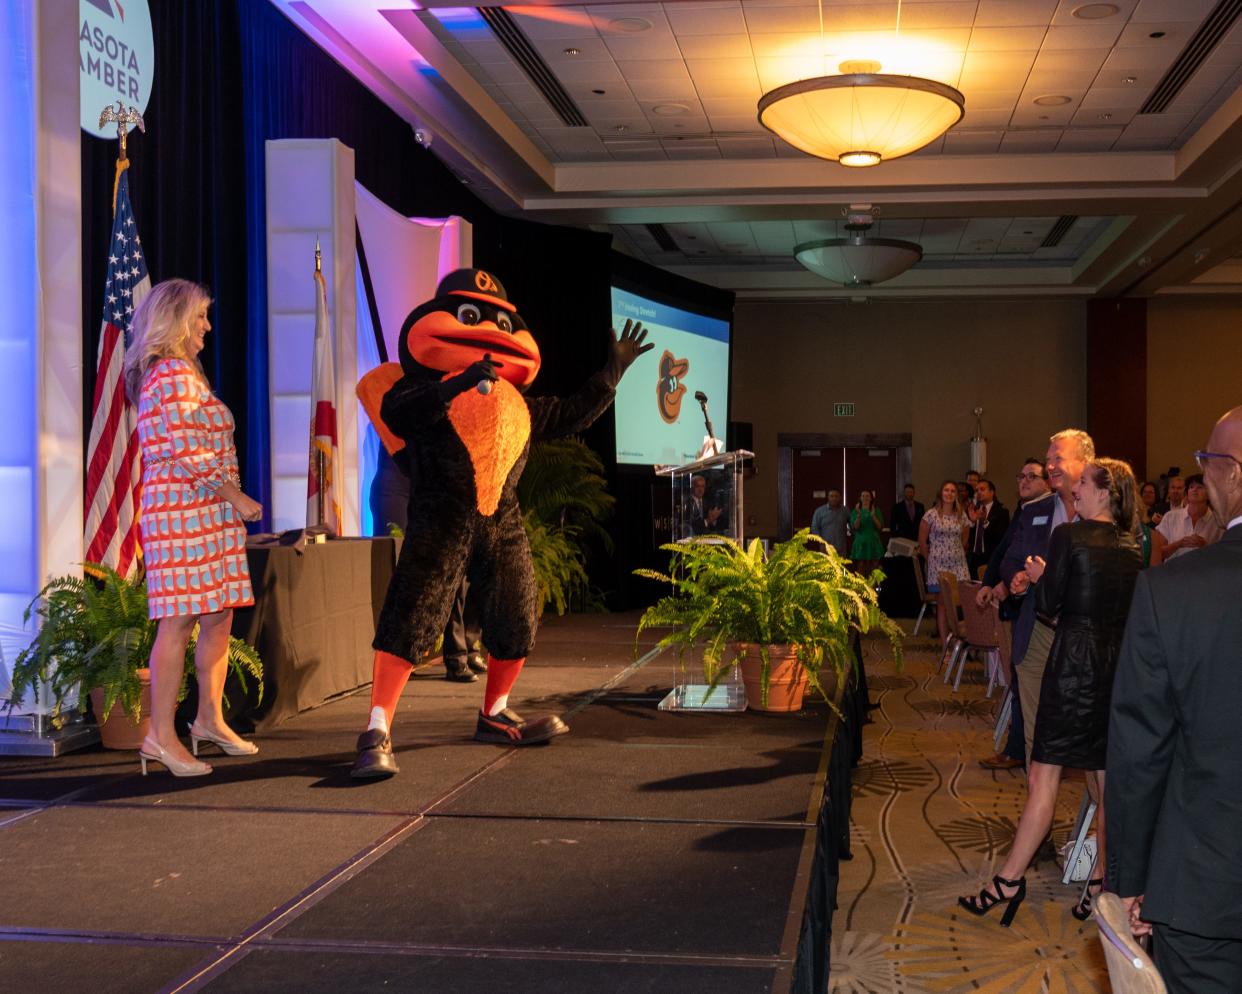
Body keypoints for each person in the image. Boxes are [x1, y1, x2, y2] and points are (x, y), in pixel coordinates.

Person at [351, 269, 653, 778]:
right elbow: (400, 414)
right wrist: (459, 383)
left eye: (501, 322)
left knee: (517, 612)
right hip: (440, 520)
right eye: (471, 317)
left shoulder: (521, 404)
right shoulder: (417, 391)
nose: (489, 330)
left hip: (502, 522)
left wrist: (611, 374)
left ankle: (494, 712)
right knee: (413, 613)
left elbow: (573, 414)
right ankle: (377, 728)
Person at [959, 457, 1142, 926]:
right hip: (1114, 671)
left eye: (1083, 482)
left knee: (1044, 775)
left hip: (1071, 667)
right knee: (1106, 787)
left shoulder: (1070, 537)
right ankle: (1101, 881)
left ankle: (1010, 879)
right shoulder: (1132, 545)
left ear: (1104, 493)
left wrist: (1039, 577)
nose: (1075, 488)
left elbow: (1050, 606)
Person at [1106, 406, 1242, 994]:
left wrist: (1133, 879)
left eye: (1207, 462)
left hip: (1206, 889)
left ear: (1234, 472)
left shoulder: (1174, 592)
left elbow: (1140, 752)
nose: (1203, 475)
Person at [123, 279, 262, 777]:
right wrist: (235, 496)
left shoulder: (181, 374)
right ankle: (160, 737)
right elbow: (187, 449)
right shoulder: (172, 374)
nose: (207, 325)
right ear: (177, 319)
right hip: (185, 515)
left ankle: (207, 719)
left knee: (218, 615)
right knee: (179, 622)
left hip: (204, 515)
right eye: (200, 316)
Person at [996, 429, 1094, 767]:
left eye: (1058, 459)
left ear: (1085, 463)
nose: (1050, 466)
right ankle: (1038, 806)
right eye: (1048, 458)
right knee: (1037, 739)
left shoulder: (1104, 515)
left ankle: (1099, 812)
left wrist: (1049, 576)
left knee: (1088, 738)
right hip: (1037, 627)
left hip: (1084, 633)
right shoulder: (1034, 512)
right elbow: (1010, 559)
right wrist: (1016, 578)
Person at [976, 457, 1051, 771]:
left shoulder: (1051, 511)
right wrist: (992, 582)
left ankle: (1026, 753)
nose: (1024, 481)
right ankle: (1018, 748)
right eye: (1021, 476)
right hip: (1019, 605)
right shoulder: (1027, 511)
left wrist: (1011, 581)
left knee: (1027, 683)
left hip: (1040, 611)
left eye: (1031, 476)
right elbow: (1005, 552)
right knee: (1020, 681)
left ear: (1048, 481)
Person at [918, 480, 969, 646]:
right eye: (946, 490)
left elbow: (965, 537)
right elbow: (922, 541)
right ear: (941, 493)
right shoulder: (931, 514)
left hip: (958, 565)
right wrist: (931, 559)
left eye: (953, 491)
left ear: (956, 495)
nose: (949, 493)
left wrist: (955, 552)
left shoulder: (961, 515)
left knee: (957, 604)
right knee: (942, 604)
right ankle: (945, 645)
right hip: (938, 566)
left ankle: (956, 639)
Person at [1152, 472, 1224, 563]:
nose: (1194, 490)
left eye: (1200, 487)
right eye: (1191, 487)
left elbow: (1223, 557)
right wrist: (1178, 544)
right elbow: (1158, 553)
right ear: (1187, 493)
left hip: (1204, 574)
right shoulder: (1170, 517)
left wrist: (1205, 546)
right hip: (1173, 573)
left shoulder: (1218, 521)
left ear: (1209, 494)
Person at [967, 478, 1010, 579]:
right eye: (977, 491)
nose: (979, 493)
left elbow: (1001, 537)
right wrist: (972, 522)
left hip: (991, 558)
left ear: (992, 492)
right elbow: (968, 539)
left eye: (982, 489)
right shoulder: (974, 510)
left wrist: (985, 522)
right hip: (974, 558)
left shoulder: (1001, 512)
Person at [849, 489, 885, 574]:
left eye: (867, 496)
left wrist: (873, 515)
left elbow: (880, 527)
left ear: (871, 498)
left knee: (874, 567)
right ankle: (861, 587)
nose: (865, 498)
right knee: (861, 566)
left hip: (874, 541)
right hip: (861, 542)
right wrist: (858, 515)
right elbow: (855, 527)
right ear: (860, 498)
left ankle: (873, 587)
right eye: (863, 496)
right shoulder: (855, 511)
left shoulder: (876, 510)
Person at [811, 489, 849, 557]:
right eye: (832, 496)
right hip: (825, 548)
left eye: (836, 496)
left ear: (840, 497)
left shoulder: (845, 511)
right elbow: (814, 528)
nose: (834, 498)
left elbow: (852, 525)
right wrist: (821, 543)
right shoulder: (819, 511)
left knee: (840, 567)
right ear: (828, 497)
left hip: (841, 548)